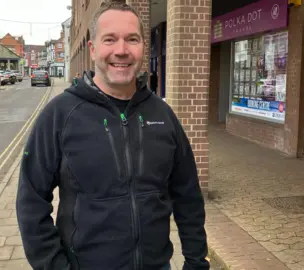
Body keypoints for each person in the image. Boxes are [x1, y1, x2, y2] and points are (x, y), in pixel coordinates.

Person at [16, 2, 210, 270]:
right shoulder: (60, 115)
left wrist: (197, 262)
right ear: (94, 49)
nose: (121, 50)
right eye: (110, 39)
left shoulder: (163, 115)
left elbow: (187, 196)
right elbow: (31, 202)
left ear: (143, 46)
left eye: (132, 39)